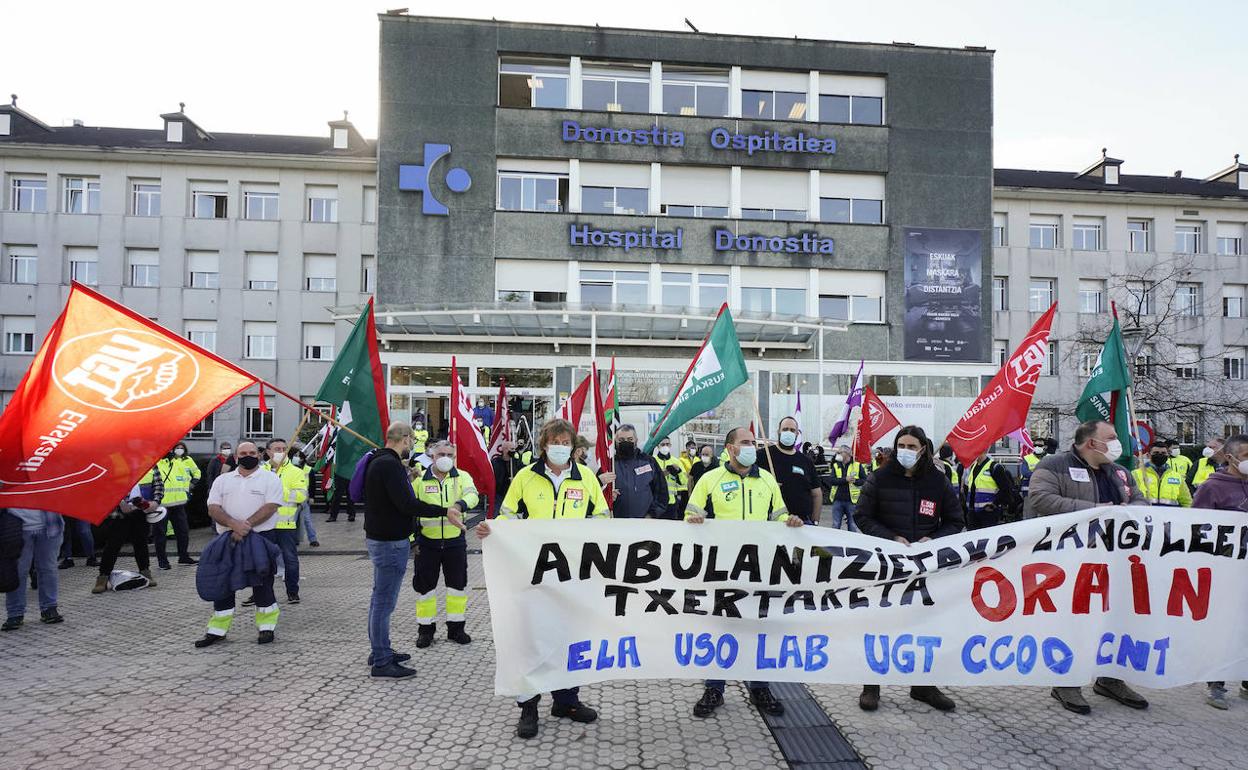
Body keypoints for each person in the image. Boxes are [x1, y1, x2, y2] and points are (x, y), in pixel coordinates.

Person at [478, 418, 607, 739]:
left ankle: (567, 701)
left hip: (573, 577)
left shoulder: (586, 478)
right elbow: (508, 517)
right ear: (544, 444)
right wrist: (492, 530)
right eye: (556, 441)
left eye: (566, 441)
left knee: (569, 639)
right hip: (533, 576)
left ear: (573, 445)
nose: (561, 446)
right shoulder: (526, 477)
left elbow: (603, 519)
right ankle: (529, 706)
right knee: (531, 641)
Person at [1024, 419, 1149, 715]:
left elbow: (1140, 500)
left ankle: (1110, 678)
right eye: (1112, 436)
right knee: (1072, 622)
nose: (1119, 441)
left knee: (1115, 619)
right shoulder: (1055, 464)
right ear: (1092, 442)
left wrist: (1132, 511)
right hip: (1069, 561)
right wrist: (1097, 512)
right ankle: (1066, 681)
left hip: (1115, 561)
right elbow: (1040, 499)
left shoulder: (1120, 472)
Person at [686, 426, 803, 719]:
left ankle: (760, 687)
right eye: (745, 442)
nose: (751, 446)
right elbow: (689, 513)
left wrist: (791, 522)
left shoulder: (767, 480)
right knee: (720, 627)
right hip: (722, 568)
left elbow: (779, 515)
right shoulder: (710, 479)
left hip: (760, 568)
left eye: (753, 442)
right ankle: (714, 688)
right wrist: (695, 519)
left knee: (757, 627)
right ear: (730, 448)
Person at [854, 426, 964, 712]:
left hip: (924, 568)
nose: (905, 450)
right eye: (900, 444)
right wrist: (891, 539)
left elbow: (955, 520)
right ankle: (871, 686)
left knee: (924, 624)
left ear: (923, 449)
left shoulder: (937, 482)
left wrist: (933, 540)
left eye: (911, 446)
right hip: (885, 565)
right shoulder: (880, 478)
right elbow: (862, 516)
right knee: (880, 624)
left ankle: (923, 686)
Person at [194, 441, 285, 648]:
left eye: (252, 452)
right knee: (223, 584)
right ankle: (217, 630)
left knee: (262, 584)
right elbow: (213, 508)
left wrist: (246, 525)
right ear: (236, 457)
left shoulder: (270, 478)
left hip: (261, 538)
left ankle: (266, 628)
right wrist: (233, 525)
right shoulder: (222, 480)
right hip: (228, 538)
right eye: (243, 453)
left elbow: (271, 507)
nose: (248, 456)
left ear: (259, 455)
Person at [1190, 433, 1248, 708]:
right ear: (1230, 457)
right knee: (1225, 629)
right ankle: (1217, 684)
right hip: (1224, 572)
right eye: (1246, 456)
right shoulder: (1211, 488)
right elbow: (1196, 530)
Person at [363, 423, 421, 678]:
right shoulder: (389, 464)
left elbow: (389, 496)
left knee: (379, 600)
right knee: (384, 603)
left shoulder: (379, 460)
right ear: (405, 439)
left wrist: (405, 478)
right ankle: (382, 662)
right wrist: (444, 512)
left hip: (381, 538)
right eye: (413, 441)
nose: (413, 446)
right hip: (389, 542)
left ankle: (380, 650)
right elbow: (406, 504)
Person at [411, 440, 478, 648]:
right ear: (432, 455)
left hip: (454, 542)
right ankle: (425, 630)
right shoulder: (420, 480)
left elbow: (473, 496)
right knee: (425, 589)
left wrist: (460, 504)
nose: (446, 459)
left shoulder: (462, 477)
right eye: (441, 454)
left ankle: (456, 628)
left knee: (457, 587)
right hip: (427, 544)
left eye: (450, 455)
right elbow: (410, 510)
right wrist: (413, 541)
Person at [93, 466, 163, 594]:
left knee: (141, 543)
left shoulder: (149, 462)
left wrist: (155, 502)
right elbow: (107, 485)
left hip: (141, 511)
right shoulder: (115, 460)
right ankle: (102, 577)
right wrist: (120, 503)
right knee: (113, 545)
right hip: (119, 514)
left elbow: (158, 485)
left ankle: (145, 572)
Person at [3, 509, 64, 630]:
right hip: (16, 525)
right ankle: (15, 613)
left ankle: (49, 608)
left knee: (48, 569)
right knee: (18, 571)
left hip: (50, 524)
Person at [264, 439, 308, 604]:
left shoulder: (295, 472)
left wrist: (279, 488)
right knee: (263, 561)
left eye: (283, 448)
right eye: (277, 449)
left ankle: (292, 591)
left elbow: (301, 496)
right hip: (264, 524)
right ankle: (261, 592)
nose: (280, 451)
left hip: (286, 524)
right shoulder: (261, 470)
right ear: (268, 451)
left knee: (290, 560)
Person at [758, 416, 823, 525]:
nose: (788, 432)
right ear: (778, 431)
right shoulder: (763, 455)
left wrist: (815, 521)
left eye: (792, 430)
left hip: (803, 523)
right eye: (785, 429)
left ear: (797, 434)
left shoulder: (805, 461)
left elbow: (816, 493)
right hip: (772, 522)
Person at [155, 441, 201, 568]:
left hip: (178, 503)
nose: (171, 452)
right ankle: (162, 561)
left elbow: (185, 478)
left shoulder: (179, 462)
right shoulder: (156, 463)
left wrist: (187, 490)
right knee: (160, 534)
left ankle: (183, 557)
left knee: (183, 532)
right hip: (161, 504)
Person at [608, 425, 667, 519]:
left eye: (630, 439)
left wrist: (652, 515)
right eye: (621, 440)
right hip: (616, 522)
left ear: (636, 440)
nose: (626, 442)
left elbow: (662, 493)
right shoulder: (609, 464)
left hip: (645, 523)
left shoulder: (649, 462)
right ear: (615, 441)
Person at [962, 450, 1020, 529]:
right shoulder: (973, 467)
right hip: (972, 512)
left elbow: (1006, 489)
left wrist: (994, 504)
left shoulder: (995, 467)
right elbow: (969, 487)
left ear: (983, 450)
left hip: (988, 513)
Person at [1132, 441, 1192, 507]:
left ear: (1168, 455)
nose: (1160, 455)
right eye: (1156, 453)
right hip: (1146, 515)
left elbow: (1187, 501)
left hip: (1169, 515)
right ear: (1148, 455)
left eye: (1163, 453)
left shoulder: (1177, 477)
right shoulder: (1136, 474)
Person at [654, 437, 689, 519]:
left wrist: (679, 471)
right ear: (658, 446)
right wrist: (662, 473)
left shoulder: (676, 461)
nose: (665, 446)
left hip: (671, 503)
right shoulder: (653, 460)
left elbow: (684, 482)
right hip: (656, 502)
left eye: (667, 444)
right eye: (662, 444)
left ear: (670, 446)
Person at [291, 449, 319, 547]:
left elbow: (312, 484)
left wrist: (312, 497)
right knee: (292, 521)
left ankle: (313, 539)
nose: (296, 458)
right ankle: (293, 539)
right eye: (295, 455)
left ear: (302, 458)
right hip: (292, 499)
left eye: (298, 456)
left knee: (307, 520)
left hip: (304, 499)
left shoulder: (308, 469)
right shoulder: (289, 469)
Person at [825, 445, 856, 532]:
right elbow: (831, 480)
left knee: (852, 525)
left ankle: (852, 544)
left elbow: (864, 480)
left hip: (851, 501)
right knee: (836, 525)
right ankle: (834, 544)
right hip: (838, 500)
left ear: (847, 454)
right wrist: (845, 479)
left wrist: (855, 481)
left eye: (839, 452)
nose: (837, 454)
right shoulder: (835, 465)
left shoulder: (856, 465)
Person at [491, 440, 525, 518]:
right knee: (497, 514)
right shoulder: (496, 462)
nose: (514, 451)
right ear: (505, 449)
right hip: (500, 494)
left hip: (514, 493)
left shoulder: (516, 462)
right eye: (512, 449)